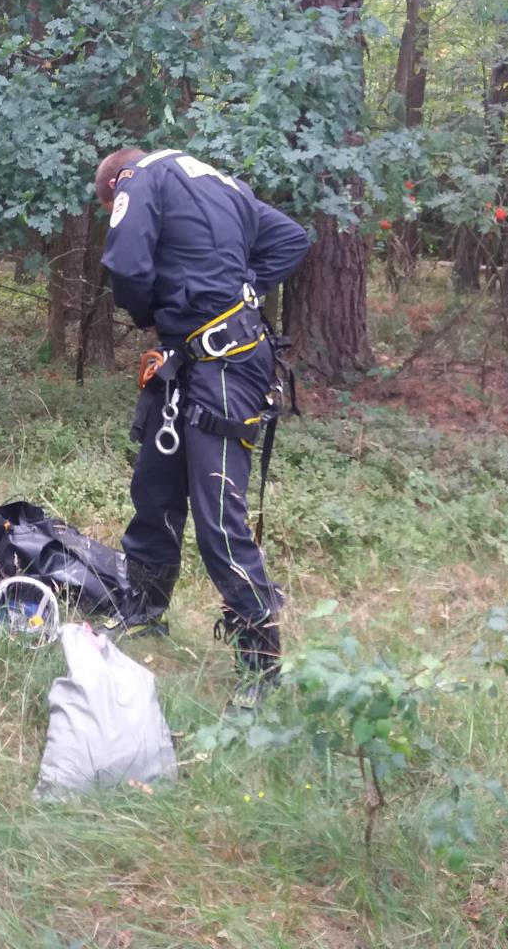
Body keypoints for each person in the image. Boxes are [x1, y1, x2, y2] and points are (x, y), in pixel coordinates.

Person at [96, 146, 310, 710]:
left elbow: (125, 266)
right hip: (191, 359)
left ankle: (261, 670)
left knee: (218, 514)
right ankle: (144, 611)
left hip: (224, 362)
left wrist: (153, 311)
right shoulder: (224, 182)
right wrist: (238, 288)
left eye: (112, 201)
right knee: (156, 487)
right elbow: (290, 238)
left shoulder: (140, 176)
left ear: (115, 182)